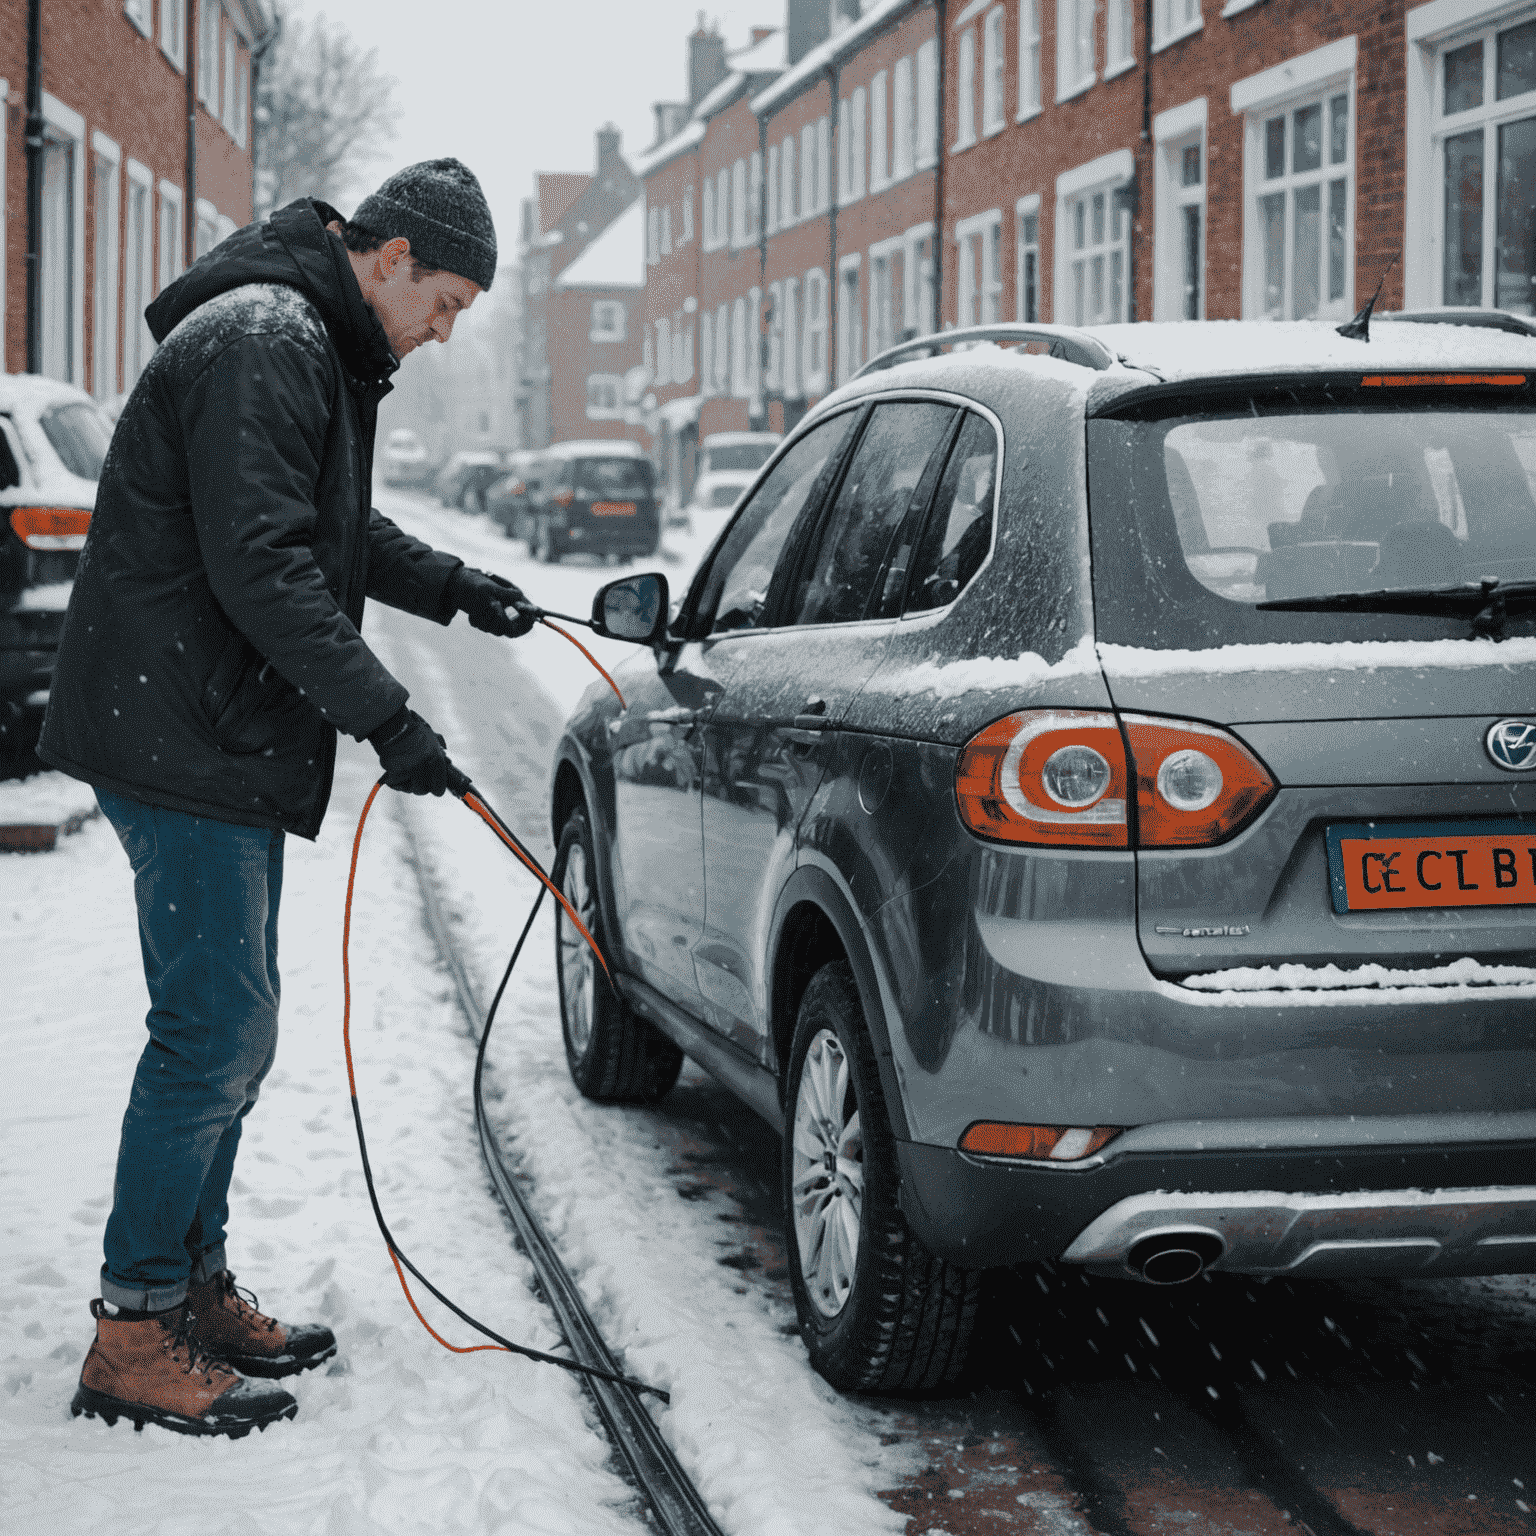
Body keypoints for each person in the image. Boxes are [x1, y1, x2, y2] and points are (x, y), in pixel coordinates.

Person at [38, 159, 533, 1438]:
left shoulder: (301, 334)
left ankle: (187, 1290)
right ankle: (135, 1330)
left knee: (229, 1031)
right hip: (179, 729)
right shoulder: (270, 337)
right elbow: (263, 564)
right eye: (448, 301)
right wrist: (391, 717)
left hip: (206, 727)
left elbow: (323, 525)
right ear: (389, 256)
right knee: (214, 1031)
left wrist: (452, 583)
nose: (444, 331)